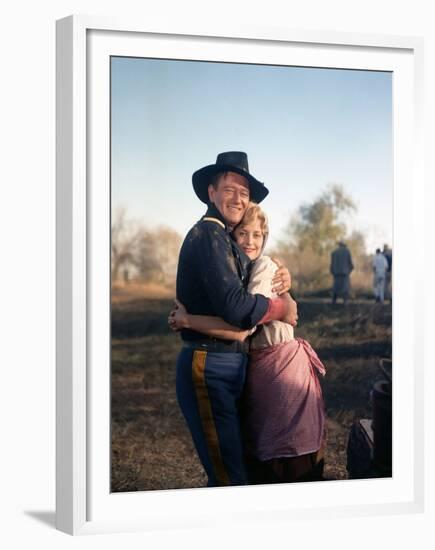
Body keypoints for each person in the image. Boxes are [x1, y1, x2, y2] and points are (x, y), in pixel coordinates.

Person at [170, 203, 326, 484]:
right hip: (270, 367)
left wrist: (188, 321)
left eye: (257, 234)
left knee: (280, 454)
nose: (250, 241)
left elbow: (242, 328)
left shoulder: (264, 268)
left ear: (265, 237)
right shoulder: (243, 268)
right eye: (243, 233)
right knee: (264, 451)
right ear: (233, 235)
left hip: (280, 371)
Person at [174, 152, 296, 487]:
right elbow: (238, 308)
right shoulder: (209, 235)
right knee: (230, 479)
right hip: (209, 364)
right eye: (229, 189)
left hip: (231, 363)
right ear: (211, 192)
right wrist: (280, 310)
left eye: (244, 192)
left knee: (237, 467)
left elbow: (251, 287)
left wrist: (285, 285)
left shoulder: (227, 242)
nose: (238, 198)